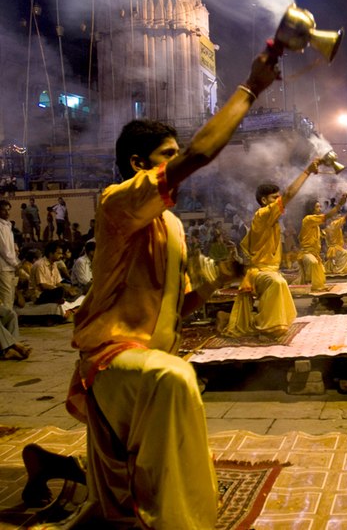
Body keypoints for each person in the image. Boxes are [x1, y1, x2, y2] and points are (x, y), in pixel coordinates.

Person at [20, 50, 278, 528]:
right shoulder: (117, 203)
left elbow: (180, 306)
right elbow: (201, 154)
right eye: (167, 157)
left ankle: (69, 473)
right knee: (172, 379)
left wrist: (221, 277)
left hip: (149, 353)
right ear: (139, 163)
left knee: (131, 458)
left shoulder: (172, 225)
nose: (176, 164)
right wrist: (251, 87)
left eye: (174, 156)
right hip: (111, 354)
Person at [218, 160, 322, 339]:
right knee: (277, 283)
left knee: (279, 284)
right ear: (264, 200)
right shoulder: (263, 214)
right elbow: (289, 193)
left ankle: (238, 319)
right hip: (260, 273)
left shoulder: (272, 220)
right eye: (275, 198)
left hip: (271, 270)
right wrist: (307, 171)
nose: (279, 202)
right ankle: (266, 328)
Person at [297, 195, 345, 291]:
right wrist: (339, 205)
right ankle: (313, 288)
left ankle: (316, 291)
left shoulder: (316, 226)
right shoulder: (308, 219)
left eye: (320, 206)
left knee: (321, 275)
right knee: (313, 263)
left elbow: (301, 237)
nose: (320, 209)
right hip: (306, 253)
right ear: (311, 208)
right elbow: (326, 217)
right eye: (317, 207)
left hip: (315, 254)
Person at [323, 197, 347, 275]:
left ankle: (336, 268)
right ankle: (339, 271)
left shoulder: (330, 225)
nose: (340, 215)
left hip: (335, 248)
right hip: (335, 249)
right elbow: (346, 217)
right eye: (338, 213)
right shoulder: (334, 224)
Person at [0, 200, 20, 308]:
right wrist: (15, 263)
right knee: (6, 298)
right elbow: (3, 249)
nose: (7, 213)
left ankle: (9, 323)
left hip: (10, 267)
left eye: (8, 210)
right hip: (3, 267)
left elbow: (9, 246)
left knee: (10, 297)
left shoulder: (7, 225)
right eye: (4, 210)